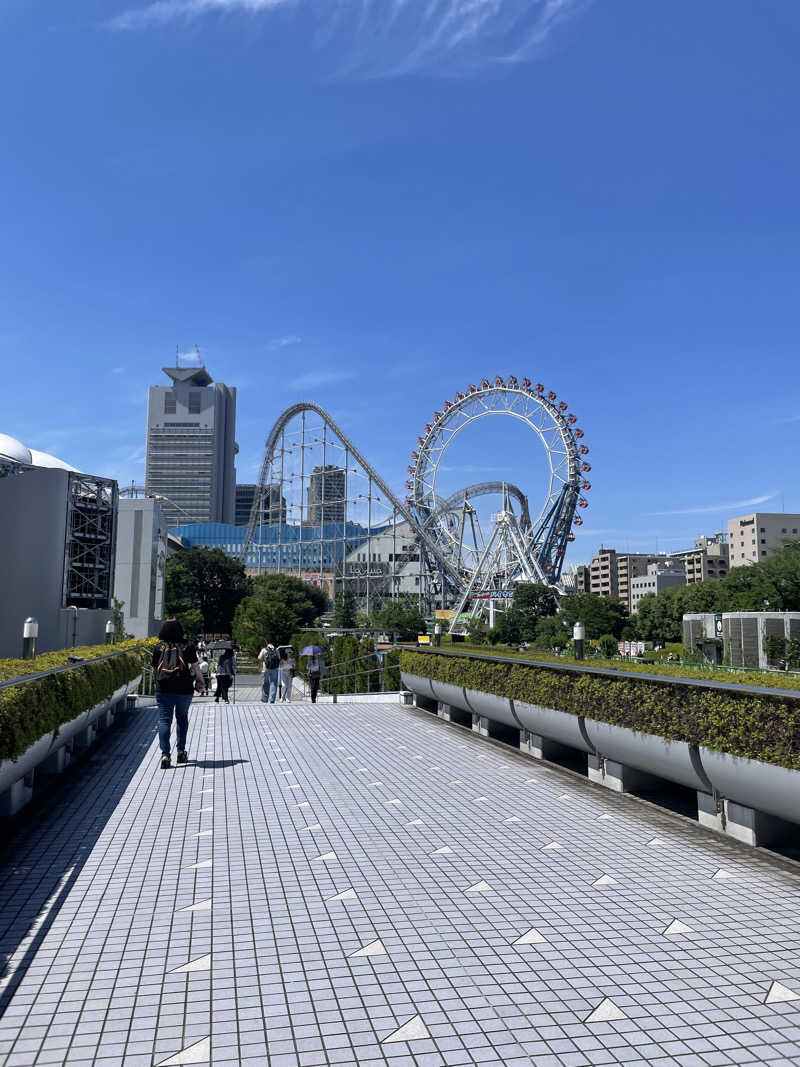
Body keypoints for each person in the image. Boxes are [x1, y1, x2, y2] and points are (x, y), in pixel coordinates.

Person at [152, 619, 204, 770]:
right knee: (182, 718)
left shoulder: (159, 647)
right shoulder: (188, 646)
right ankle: (181, 751)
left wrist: (157, 685)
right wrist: (200, 681)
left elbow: (155, 669)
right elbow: (196, 666)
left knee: (164, 720)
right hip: (184, 688)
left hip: (164, 688)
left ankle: (165, 755)